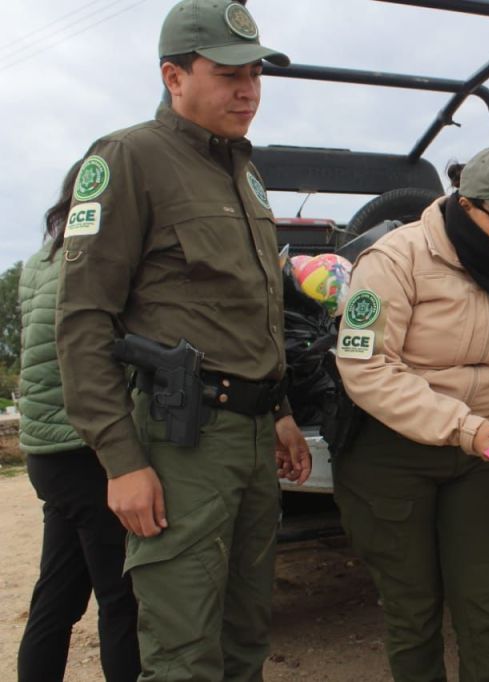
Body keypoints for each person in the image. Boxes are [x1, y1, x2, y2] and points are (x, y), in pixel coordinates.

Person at [54, 2, 311, 678]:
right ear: (173, 76)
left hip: (254, 441)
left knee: (247, 638)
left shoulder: (245, 173)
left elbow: (250, 308)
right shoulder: (129, 158)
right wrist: (121, 460)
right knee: (182, 653)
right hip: (183, 443)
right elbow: (83, 321)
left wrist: (280, 409)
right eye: (229, 74)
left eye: (256, 73)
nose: (249, 89)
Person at [334, 145, 489, 681]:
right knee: (413, 610)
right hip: (393, 452)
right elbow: (367, 368)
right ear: (467, 206)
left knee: (487, 608)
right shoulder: (396, 259)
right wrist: (463, 427)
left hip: (479, 455)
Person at [17, 160, 141, 682]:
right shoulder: (92, 263)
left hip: (46, 452)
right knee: (120, 599)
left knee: (59, 593)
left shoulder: (38, 263)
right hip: (84, 446)